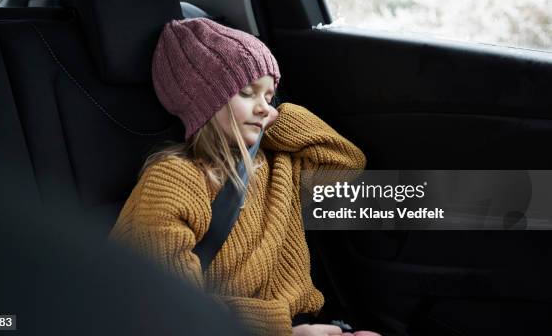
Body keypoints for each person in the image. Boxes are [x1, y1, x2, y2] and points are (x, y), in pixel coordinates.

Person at [109, 18, 379, 336]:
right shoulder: (174, 180)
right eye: (248, 94)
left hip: (307, 321)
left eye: (269, 96)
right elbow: (169, 306)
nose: (265, 107)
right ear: (205, 101)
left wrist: (278, 119)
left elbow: (346, 163)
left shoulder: (280, 164)